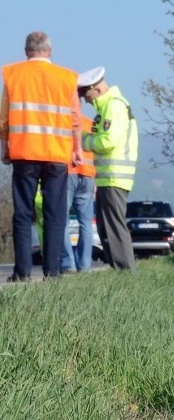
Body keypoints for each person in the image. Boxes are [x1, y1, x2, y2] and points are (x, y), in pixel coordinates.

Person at [1, 32, 82, 281]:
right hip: (56, 156)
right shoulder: (67, 78)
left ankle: (23, 272)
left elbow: (4, 119)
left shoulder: (13, 75)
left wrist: (4, 148)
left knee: (23, 214)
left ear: (26, 51)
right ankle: (52, 271)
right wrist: (76, 149)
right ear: (49, 51)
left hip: (24, 153)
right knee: (55, 215)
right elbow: (75, 120)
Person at [78, 66, 138, 272]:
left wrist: (83, 141)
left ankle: (126, 273)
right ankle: (119, 270)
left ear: (97, 89)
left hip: (114, 177)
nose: (86, 101)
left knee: (114, 228)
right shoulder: (107, 107)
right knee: (106, 228)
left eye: (87, 95)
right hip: (107, 178)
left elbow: (109, 141)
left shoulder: (113, 106)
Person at [60, 112, 96, 273]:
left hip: (67, 172)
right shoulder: (90, 123)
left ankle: (68, 264)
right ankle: (84, 265)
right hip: (88, 174)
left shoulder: (62, 121)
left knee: (62, 220)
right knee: (86, 223)